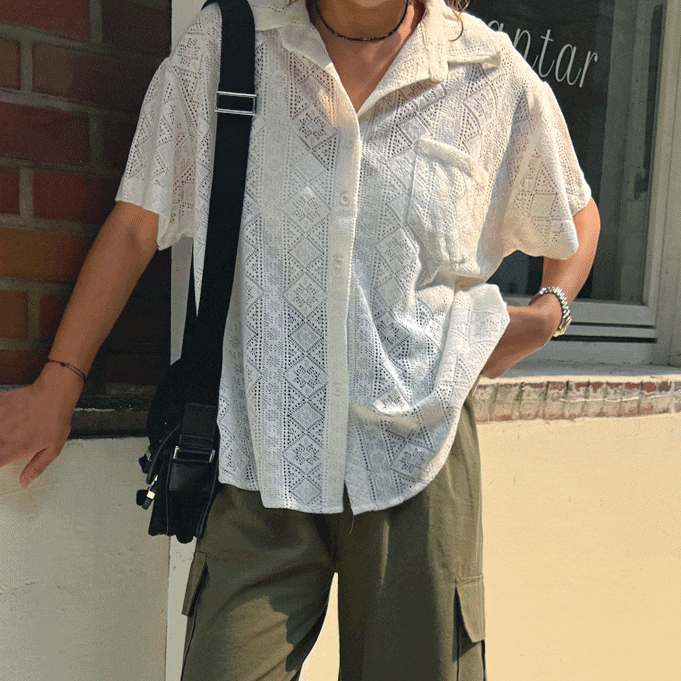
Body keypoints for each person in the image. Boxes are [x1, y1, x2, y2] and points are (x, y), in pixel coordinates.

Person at [0, 0, 600, 678]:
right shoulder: (229, 48)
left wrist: (548, 313)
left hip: (421, 455)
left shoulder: (485, 71)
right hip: (261, 454)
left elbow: (576, 212)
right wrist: (58, 384)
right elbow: (138, 223)